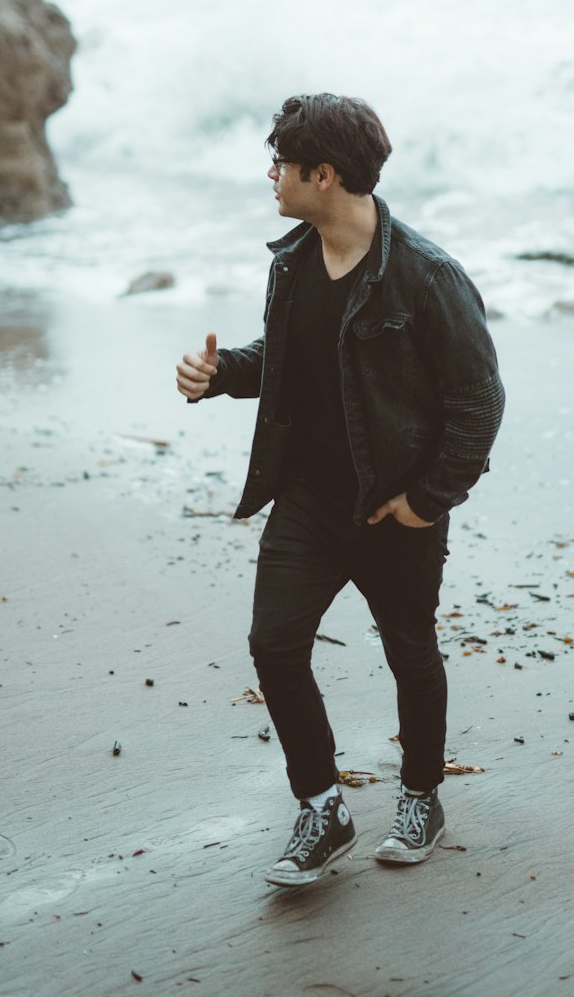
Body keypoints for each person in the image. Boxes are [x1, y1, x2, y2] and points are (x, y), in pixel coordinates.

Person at [175, 94, 504, 887]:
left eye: (281, 164)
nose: (271, 176)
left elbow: (479, 401)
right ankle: (322, 807)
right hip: (310, 502)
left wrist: (428, 501)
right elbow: (289, 362)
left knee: (410, 654)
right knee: (275, 645)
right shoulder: (291, 261)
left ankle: (422, 796)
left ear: (324, 174)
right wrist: (221, 376)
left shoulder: (426, 276)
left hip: (396, 508)